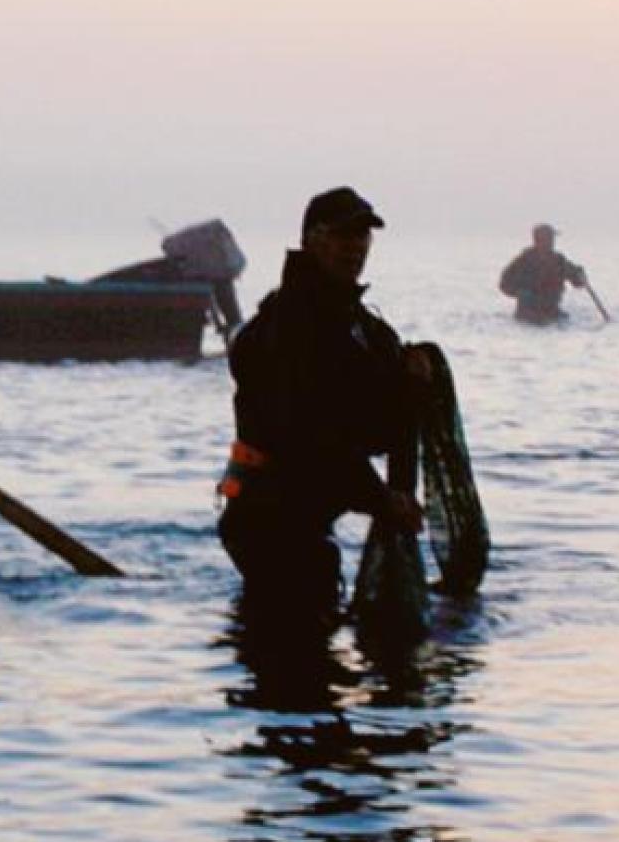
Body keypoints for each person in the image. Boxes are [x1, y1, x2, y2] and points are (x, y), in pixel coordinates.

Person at [216, 186, 424, 628]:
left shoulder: (354, 323)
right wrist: (382, 500)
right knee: (294, 656)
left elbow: (373, 420)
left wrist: (411, 375)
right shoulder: (288, 327)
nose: (355, 247)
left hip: (306, 519)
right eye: (344, 235)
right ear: (314, 239)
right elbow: (310, 436)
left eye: (363, 236)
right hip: (268, 521)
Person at [161, 217, 248, 333]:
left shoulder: (217, 269)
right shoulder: (221, 269)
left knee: (225, 296)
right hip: (215, 278)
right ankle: (233, 324)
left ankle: (233, 325)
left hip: (212, 277)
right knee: (225, 295)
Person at [499, 223, 586, 324]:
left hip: (551, 311)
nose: (551, 242)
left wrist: (579, 275)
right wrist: (521, 293)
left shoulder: (558, 260)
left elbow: (576, 279)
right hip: (527, 315)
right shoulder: (524, 260)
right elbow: (504, 283)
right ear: (538, 240)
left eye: (551, 239)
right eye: (548, 238)